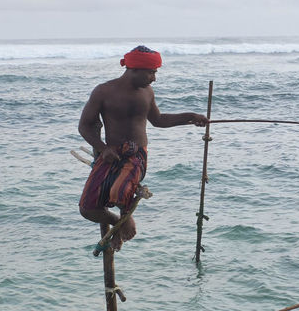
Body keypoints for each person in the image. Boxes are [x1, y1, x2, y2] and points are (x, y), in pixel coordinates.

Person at [78, 45, 207, 248]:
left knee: (120, 193)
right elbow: (84, 126)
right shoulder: (103, 91)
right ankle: (118, 223)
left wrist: (191, 117)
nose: (154, 78)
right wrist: (103, 149)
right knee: (87, 209)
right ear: (134, 69)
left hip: (136, 155)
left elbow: (159, 120)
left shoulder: (147, 92)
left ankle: (124, 220)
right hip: (110, 154)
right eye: (151, 72)